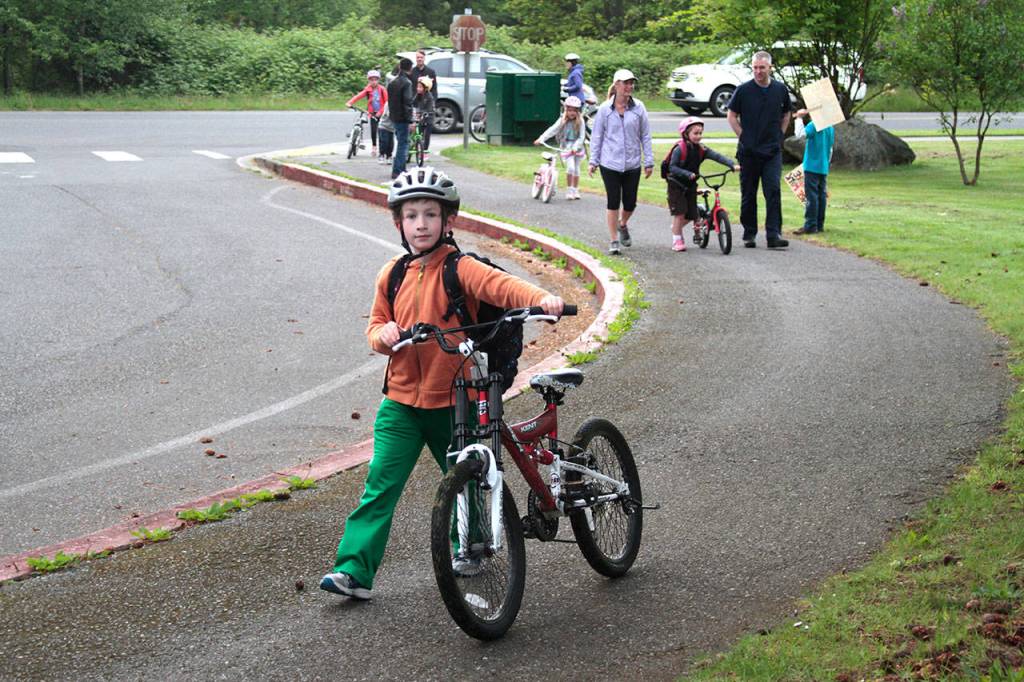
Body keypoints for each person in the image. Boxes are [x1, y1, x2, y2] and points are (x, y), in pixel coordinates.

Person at [319, 167, 564, 601]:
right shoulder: (392, 273)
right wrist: (384, 335)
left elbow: (503, 286)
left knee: (464, 481)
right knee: (380, 485)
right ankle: (353, 571)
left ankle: (467, 546)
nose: (420, 224)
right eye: (411, 215)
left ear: (447, 220)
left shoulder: (460, 268)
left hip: (454, 400)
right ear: (399, 223)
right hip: (400, 404)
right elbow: (375, 325)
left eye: (430, 214)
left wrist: (540, 300)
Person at [726, 50, 792, 249]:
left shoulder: (780, 90)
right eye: (755, 67)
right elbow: (731, 115)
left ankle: (773, 234)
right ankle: (749, 234)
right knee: (749, 193)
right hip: (749, 152)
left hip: (772, 151)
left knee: (772, 190)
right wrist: (743, 136)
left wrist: (779, 135)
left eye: (762, 67)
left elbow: (787, 113)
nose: (758, 71)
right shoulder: (743, 90)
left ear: (770, 67)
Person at [588, 69, 654, 255]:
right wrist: (593, 161)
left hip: (632, 163)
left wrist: (648, 161)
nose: (629, 86)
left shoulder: (639, 107)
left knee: (630, 203)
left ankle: (622, 224)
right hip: (609, 162)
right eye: (625, 83)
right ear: (616, 84)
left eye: (631, 83)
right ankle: (613, 240)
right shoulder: (604, 110)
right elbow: (597, 137)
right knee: (613, 201)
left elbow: (645, 136)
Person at [665, 116, 741, 252]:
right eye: (695, 133)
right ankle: (677, 239)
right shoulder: (679, 149)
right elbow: (672, 167)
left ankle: (678, 226)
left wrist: (731, 165)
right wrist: (687, 174)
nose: (699, 136)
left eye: (700, 133)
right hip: (676, 184)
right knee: (680, 213)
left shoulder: (701, 149)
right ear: (686, 134)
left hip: (691, 184)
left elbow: (716, 156)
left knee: (692, 214)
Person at [791, 108, 835, 235]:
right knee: (821, 196)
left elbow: (800, 135)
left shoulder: (814, 124)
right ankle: (819, 224)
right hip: (823, 166)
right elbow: (830, 148)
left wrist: (799, 118)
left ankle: (810, 225)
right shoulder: (830, 127)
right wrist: (827, 163)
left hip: (811, 165)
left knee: (812, 196)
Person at [534, 95, 587, 200]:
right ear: (566, 110)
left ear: (578, 111)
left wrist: (576, 147)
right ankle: (569, 189)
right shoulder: (562, 120)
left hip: (577, 147)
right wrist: (541, 138)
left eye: (574, 110)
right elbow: (552, 129)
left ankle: (575, 189)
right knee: (570, 167)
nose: (572, 113)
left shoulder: (581, 121)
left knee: (576, 169)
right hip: (566, 146)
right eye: (569, 110)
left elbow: (582, 137)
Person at [346, 69, 388, 159]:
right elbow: (359, 96)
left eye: (375, 79)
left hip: (383, 113)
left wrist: (381, 112)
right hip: (372, 113)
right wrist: (350, 102)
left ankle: (382, 149)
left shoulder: (382, 89)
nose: (373, 82)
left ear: (378, 80)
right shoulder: (368, 89)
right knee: (373, 130)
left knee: (382, 131)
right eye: (371, 80)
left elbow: (387, 102)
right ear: (369, 80)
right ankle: (374, 147)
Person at [386, 58, 414, 179]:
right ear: (410, 68)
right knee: (403, 144)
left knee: (400, 141)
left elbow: (391, 101)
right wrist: (410, 119)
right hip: (403, 117)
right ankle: (398, 169)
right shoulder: (407, 83)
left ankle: (400, 168)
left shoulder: (392, 83)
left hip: (394, 116)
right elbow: (408, 103)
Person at [410, 50, 438, 157]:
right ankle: (413, 146)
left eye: (421, 57)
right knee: (416, 127)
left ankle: (424, 150)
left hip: (427, 103)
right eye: (417, 57)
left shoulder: (430, 72)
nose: (419, 59)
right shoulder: (412, 72)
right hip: (416, 102)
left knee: (427, 128)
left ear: (424, 58)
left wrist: (433, 102)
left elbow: (434, 89)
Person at [412, 76, 435, 163]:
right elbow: (413, 103)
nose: (418, 89)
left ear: (426, 88)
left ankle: (424, 151)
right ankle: (416, 145)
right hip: (420, 117)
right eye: (417, 87)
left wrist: (426, 113)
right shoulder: (418, 95)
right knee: (418, 132)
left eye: (420, 87)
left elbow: (430, 108)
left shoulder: (429, 97)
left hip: (428, 117)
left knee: (426, 135)